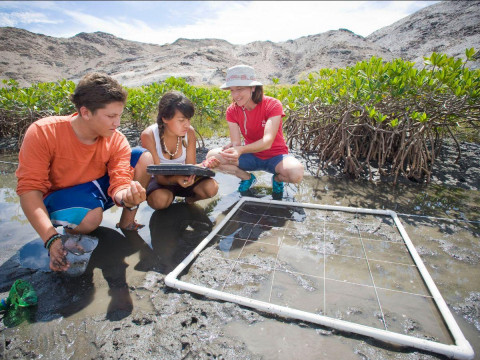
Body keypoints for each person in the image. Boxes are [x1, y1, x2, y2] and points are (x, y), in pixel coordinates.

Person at [15, 72, 153, 273]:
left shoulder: (116, 139)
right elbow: (29, 191)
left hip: (95, 188)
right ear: (86, 112)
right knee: (91, 219)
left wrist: (127, 197)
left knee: (143, 157)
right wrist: (51, 238)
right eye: (111, 116)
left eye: (119, 115)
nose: (117, 123)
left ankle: (126, 221)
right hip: (60, 196)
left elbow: (120, 179)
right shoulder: (44, 132)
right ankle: (71, 229)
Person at [206, 64, 304, 198]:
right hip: (251, 156)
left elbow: (267, 141)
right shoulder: (232, 110)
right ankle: (247, 178)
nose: (235, 95)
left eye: (239, 89)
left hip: (275, 156)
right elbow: (236, 142)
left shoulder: (272, 104)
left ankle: (277, 180)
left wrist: (240, 150)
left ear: (253, 87)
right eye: (232, 90)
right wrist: (233, 149)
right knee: (212, 156)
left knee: (296, 173)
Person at [140, 90, 219, 210]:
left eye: (188, 119)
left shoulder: (189, 132)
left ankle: (190, 200)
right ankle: (169, 204)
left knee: (211, 188)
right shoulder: (149, 135)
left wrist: (205, 165)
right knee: (160, 201)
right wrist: (176, 179)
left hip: (184, 179)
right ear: (165, 118)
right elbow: (158, 177)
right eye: (181, 120)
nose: (187, 125)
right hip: (160, 182)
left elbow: (190, 166)